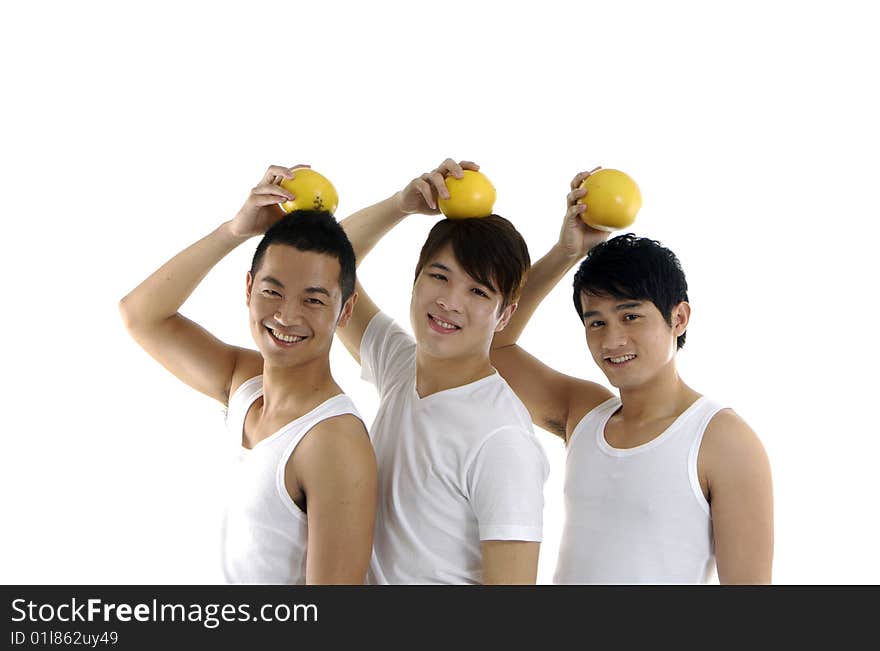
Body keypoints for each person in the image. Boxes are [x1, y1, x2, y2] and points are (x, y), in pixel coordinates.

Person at [491, 168, 774, 584]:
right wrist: (565, 252)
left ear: (678, 318)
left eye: (630, 316)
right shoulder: (583, 413)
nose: (612, 340)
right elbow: (494, 345)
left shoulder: (723, 440)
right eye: (596, 322)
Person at [118, 165, 377, 584]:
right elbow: (141, 315)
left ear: (344, 311)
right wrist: (234, 231)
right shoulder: (246, 384)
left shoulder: (333, 442)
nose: (286, 316)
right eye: (272, 291)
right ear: (248, 289)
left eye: (313, 300)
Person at [335, 158, 549, 584]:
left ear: (504, 315)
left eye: (476, 290)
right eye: (439, 276)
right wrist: (401, 205)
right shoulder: (401, 365)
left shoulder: (502, 439)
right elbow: (329, 267)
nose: (450, 301)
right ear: (415, 280)